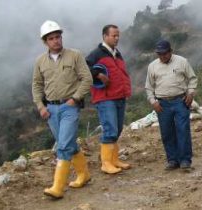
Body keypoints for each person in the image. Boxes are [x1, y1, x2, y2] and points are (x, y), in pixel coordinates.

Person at [32, 20, 93, 199]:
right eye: (51, 38)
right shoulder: (40, 61)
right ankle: (84, 174)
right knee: (68, 144)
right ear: (45, 41)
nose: (56, 41)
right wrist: (41, 107)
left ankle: (57, 188)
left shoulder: (75, 55)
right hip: (51, 109)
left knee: (63, 146)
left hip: (69, 107)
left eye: (58, 37)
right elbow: (36, 85)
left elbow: (87, 79)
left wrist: (75, 99)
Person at [86, 24, 132, 174]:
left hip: (119, 95)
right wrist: (98, 75)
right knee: (110, 129)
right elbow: (84, 68)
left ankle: (114, 160)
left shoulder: (117, 53)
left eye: (118, 35)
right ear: (105, 36)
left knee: (117, 129)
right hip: (105, 98)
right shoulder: (96, 53)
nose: (117, 38)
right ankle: (105, 163)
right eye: (114, 35)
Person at [145, 40, 197, 170]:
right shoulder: (152, 66)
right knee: (167, 132)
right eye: (159, 54)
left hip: (181, 101)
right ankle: (172, 160)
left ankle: (185, 160)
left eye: (164, 53)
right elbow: (149, 87)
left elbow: (192, 78)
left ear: (170, 51)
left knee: (182, 130)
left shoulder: (182, 61)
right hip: (162, 104)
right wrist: (153, 102)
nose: (162, 56)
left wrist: (190, 94)